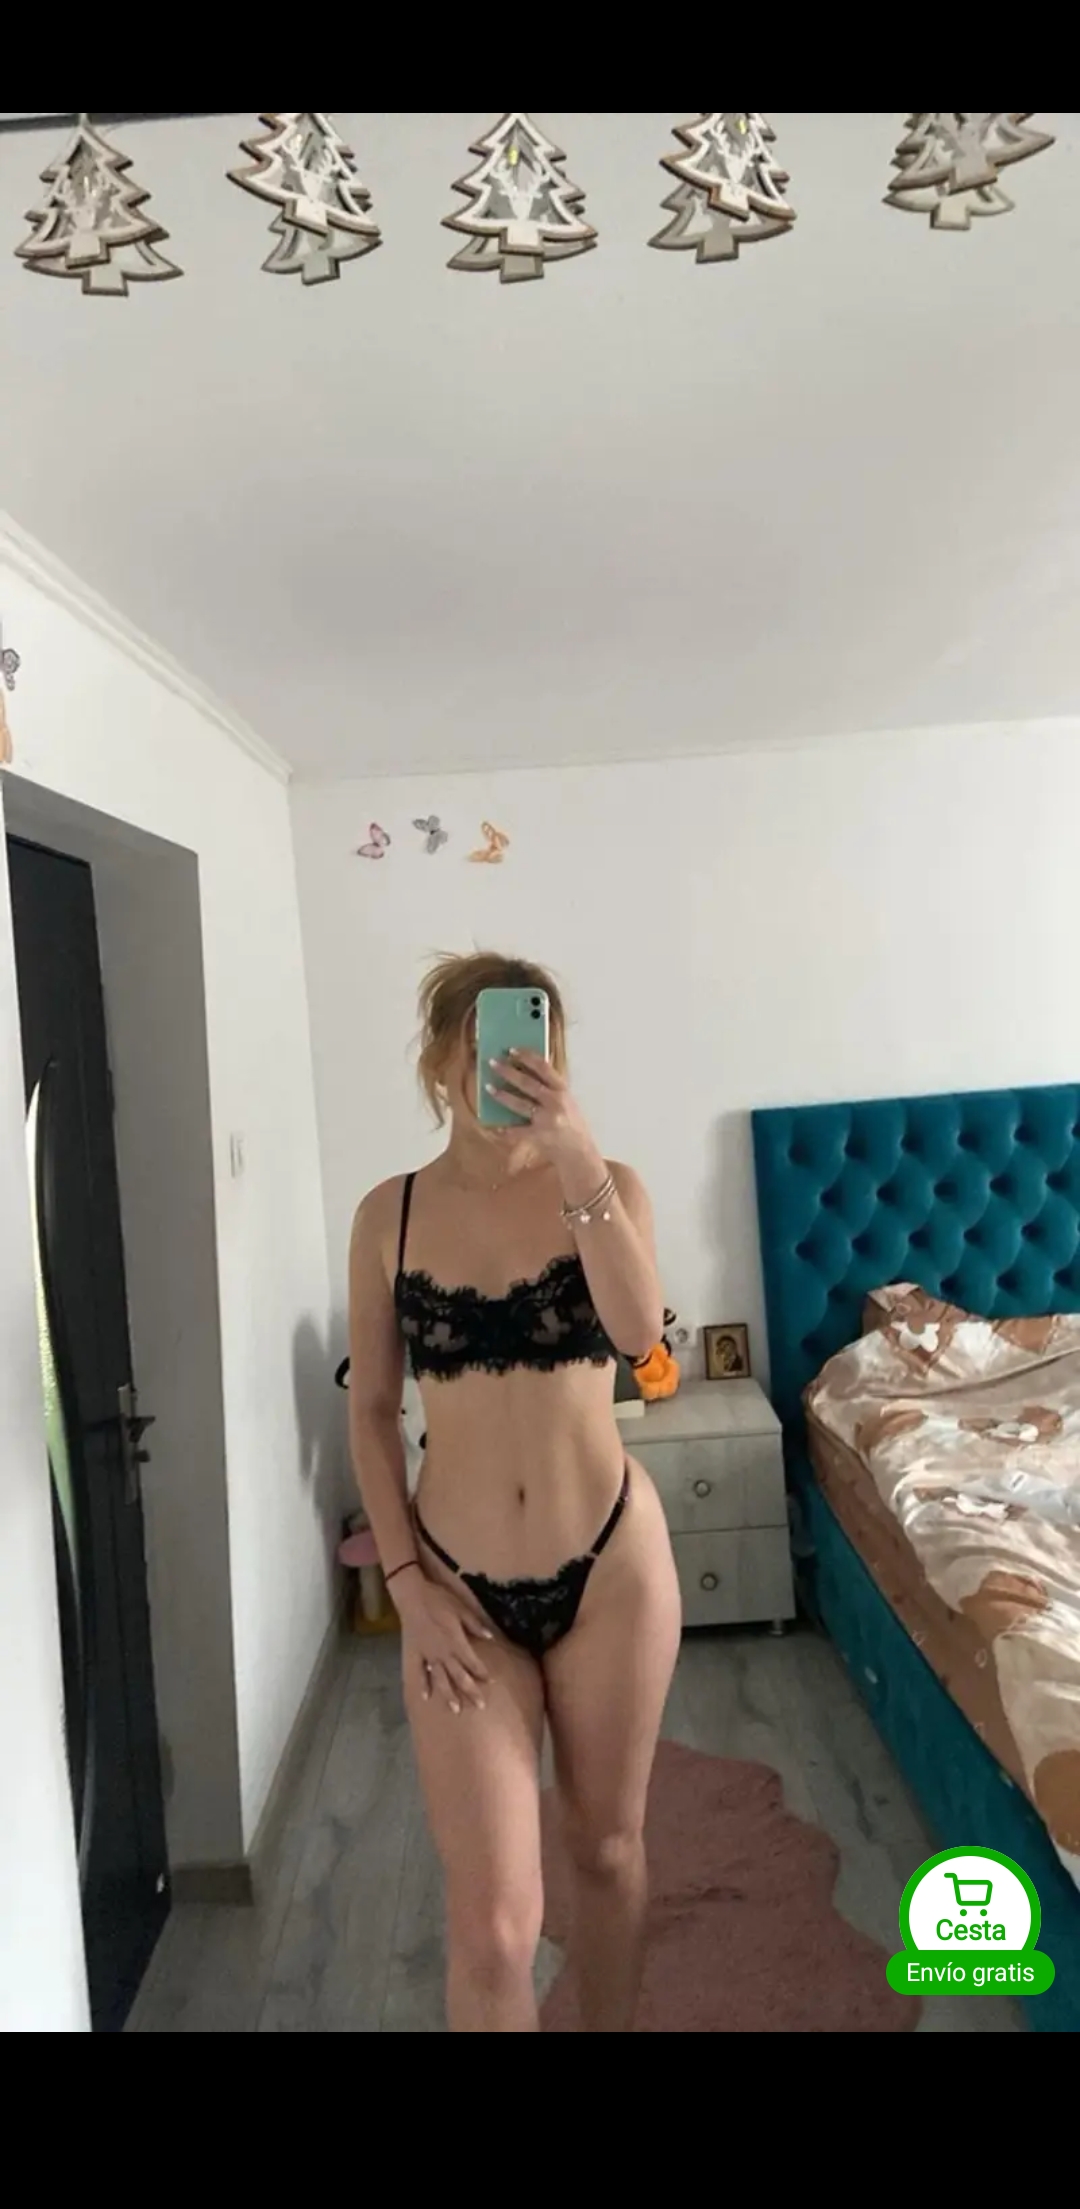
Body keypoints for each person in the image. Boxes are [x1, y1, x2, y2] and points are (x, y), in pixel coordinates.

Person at [347, 951, 681, 2033]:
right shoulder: (387, 1216)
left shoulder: (610, 1186)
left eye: (532, 1043)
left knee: (608, 1846)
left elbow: (641, 1339)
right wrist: (407, 1587)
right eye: (485, 1045)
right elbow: (371, 1412)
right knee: (494, 1925)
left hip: (612, 1569)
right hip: (458, 1592)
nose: (508, 1067)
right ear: (443, 1060)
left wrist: (576, 1160)